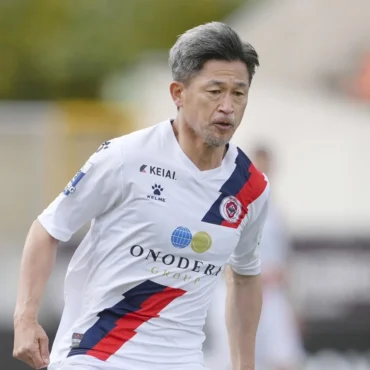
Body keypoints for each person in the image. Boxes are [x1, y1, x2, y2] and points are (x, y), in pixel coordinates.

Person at [13, 22, 269, 370]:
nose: (227, 107)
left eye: (238, 94)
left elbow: (244, 275)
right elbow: (47, 229)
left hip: (182, 362)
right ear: (178, 93)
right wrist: (25, 319)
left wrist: (245, 366)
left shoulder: (250, 188)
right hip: (95, 356)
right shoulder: (125, 158)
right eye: (215, 91)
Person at [253, 147, 304, 370]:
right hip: (247, 294)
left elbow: (285, 261)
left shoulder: (276, 212)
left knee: (285, 359)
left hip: (274, 296)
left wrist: (293, 305)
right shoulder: (238, 208)